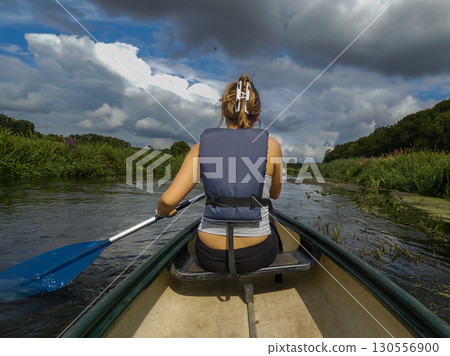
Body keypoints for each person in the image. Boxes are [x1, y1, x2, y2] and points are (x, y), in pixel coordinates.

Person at [156, 74, 282, 274]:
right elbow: (274, 194)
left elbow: (168, 201)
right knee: (267, 204)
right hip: (257, 255)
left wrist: (164, 211)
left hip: (209, 256)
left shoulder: (201, 147)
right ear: (257, 115)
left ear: (225, 111)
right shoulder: (272, 146)